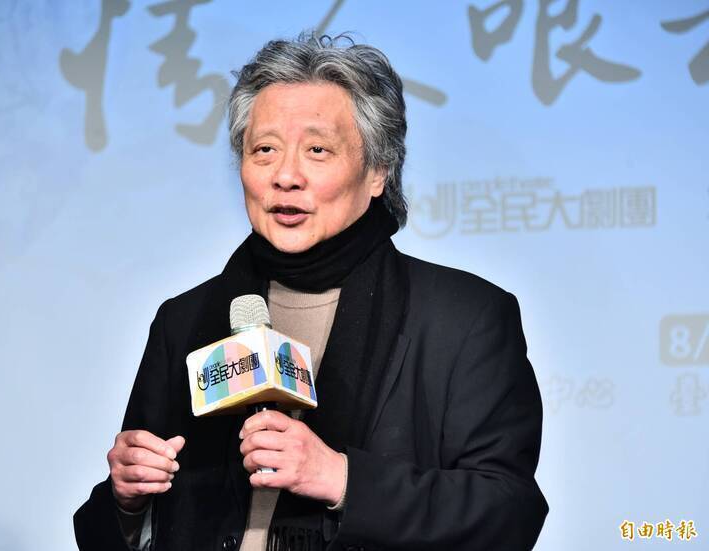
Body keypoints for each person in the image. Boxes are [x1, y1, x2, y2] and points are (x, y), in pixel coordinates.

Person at [74, 32, 548, 550]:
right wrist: (127, 501)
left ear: (378, 172)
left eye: (317, 150)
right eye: (265, 150)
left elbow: (510, 512)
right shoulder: (184, 321)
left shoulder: (464, 317)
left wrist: (342, 479)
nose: (285, 176)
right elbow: (116, 529)